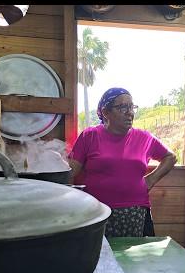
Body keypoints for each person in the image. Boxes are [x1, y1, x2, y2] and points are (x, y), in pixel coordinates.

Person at [68, 87, 177, 237]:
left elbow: (170, 157)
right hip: (96, 211)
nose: (130, 112)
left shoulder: (144, 137)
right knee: (98, 255)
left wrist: (150, 180)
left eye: (131, 107)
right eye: (123, 107)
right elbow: (71, 171)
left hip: (134, 213)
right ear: (106, 112)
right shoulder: (90, 136)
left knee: (132, 258)